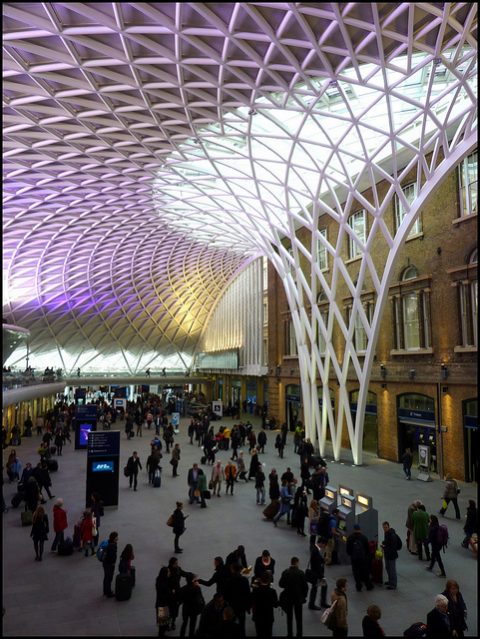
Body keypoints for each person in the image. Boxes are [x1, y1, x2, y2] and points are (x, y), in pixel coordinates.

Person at [278, 556, 308, 638]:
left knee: (289, 618)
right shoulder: (301, 573)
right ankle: (299, 633)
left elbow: (280, 584)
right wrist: (303, 596)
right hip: (298, 599)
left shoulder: (285, 572)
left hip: (288, 598)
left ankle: (290, 633)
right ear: (297, 563)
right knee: (299, 618)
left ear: (291, 563)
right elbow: (305, 587)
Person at [223, 562, 251, 637]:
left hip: (232, 607)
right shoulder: (245, 580)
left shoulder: (229, 581)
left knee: (231, 626)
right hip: (242, 607)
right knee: (242, 626)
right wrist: (248, 607)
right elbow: (248, 594)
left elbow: (225, 595)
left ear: (232, 570)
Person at [251, 570, 278, 638]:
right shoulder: (272, 592)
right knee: (268, 633)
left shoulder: (255, 592)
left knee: (259, 633)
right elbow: (275, 604)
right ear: (269, 580)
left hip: (258, 616)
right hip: (268, 616)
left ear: (260, 579)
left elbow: (251, 601)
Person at [346, 524, 373, 591]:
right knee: (365, 572)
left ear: (354, 530)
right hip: (363, 559)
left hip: (354, 559)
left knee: (356, 573)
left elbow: (348, 549)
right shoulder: (364, 537)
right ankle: (368, 586)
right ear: (360, 529)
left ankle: (358, 586)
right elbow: (367, 549)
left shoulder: (350, 538)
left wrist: (351, 555)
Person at [308, 537, 328, 609]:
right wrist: (321, 575)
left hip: (315, 572)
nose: (324, 546)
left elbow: (318, 559)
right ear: (321, 543)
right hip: (317, 573)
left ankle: (314, 603)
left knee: (318, 587)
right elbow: (316, 563)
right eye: (324, 545)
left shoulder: (315, 548)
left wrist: (323, 560)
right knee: (317, 587)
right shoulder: (315, 550)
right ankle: (315, 604)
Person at [156, 566, 175, 637]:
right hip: (163, 605)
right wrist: (172, 592)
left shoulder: (159, 580)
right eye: (168, 572)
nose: (169, 573)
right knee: (162, 624)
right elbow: (167, 594)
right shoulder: (163, 585)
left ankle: (163, 631)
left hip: (161, 604)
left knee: (163, 622)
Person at [381, 521, 401, 590]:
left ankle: (393, 584)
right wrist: (384, 543)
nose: (385, 529)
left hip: (391, 555)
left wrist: (384, 547)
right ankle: (390, 581)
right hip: (387, 554)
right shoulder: (386, 533)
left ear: (389, 527)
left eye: (386, 527)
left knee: (392, 570)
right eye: (384, 527)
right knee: (387, 568)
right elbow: (387, 542)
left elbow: (392, 547)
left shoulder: (392, 535)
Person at [103, 531, 118, 597]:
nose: (118, 538)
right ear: (114, 538)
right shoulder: (112, 545)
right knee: (109, 578)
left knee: (106, 577)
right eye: (117, 537)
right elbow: (112, 556)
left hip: (105, 563)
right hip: (109, 564)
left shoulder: (108, 542)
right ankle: (108, 592)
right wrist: (113, 563)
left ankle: (105, 590)